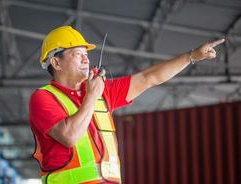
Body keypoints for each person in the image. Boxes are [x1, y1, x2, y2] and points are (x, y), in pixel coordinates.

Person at [29, 26, 224, 184]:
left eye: (86, 53)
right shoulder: (43, 98)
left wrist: (192, 56)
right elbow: (69, 136)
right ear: (56, 62)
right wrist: (92, 95)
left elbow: (149, 77)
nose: (86, 58)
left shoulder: (102, 91)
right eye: (77, 53)